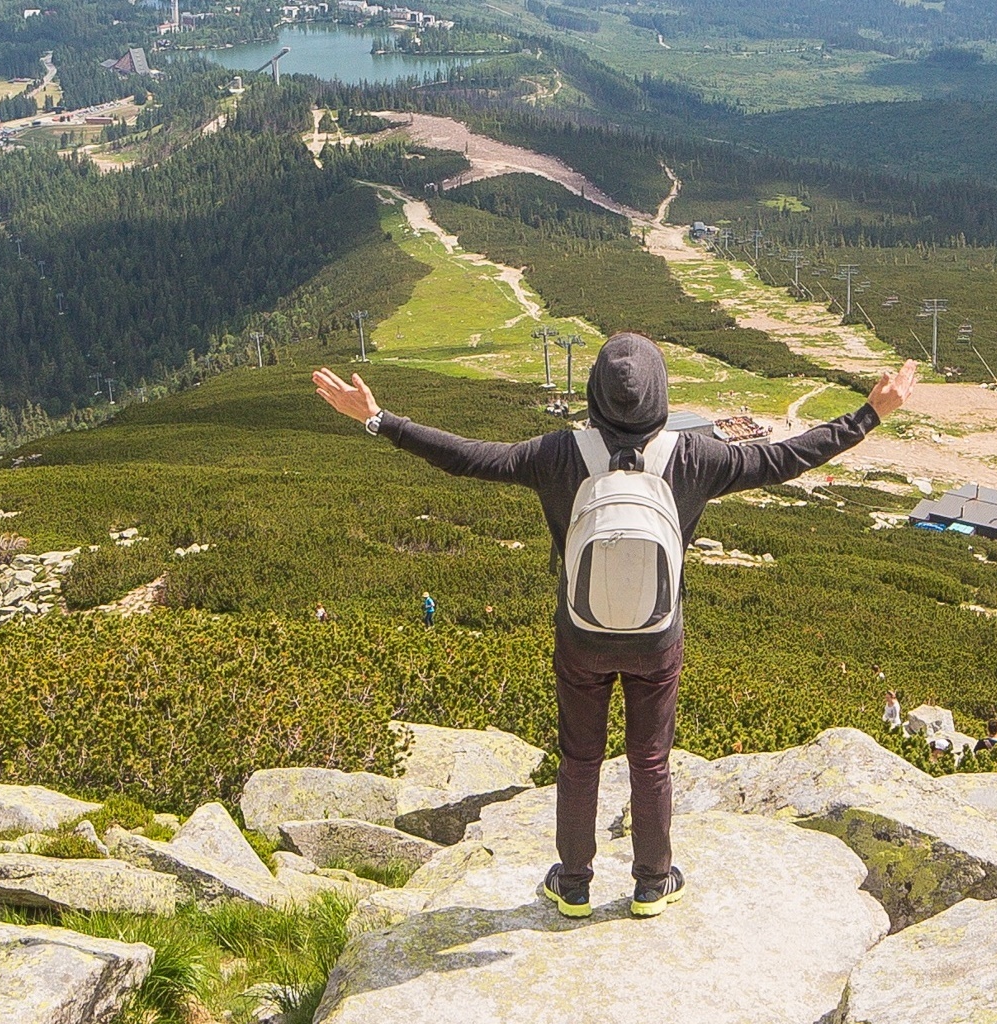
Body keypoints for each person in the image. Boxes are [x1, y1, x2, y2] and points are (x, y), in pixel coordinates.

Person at [314, 335, 918, 919]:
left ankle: (572, 884)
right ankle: (653, 883)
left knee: (579, 760)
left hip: (580, 635)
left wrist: (377, 418)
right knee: (650, 760)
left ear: (595, 391)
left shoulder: (554, 453)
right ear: (660, 392)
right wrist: (869, 413)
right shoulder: (695, 455)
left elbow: (465, 456)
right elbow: (788, 457)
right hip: (658, 635)